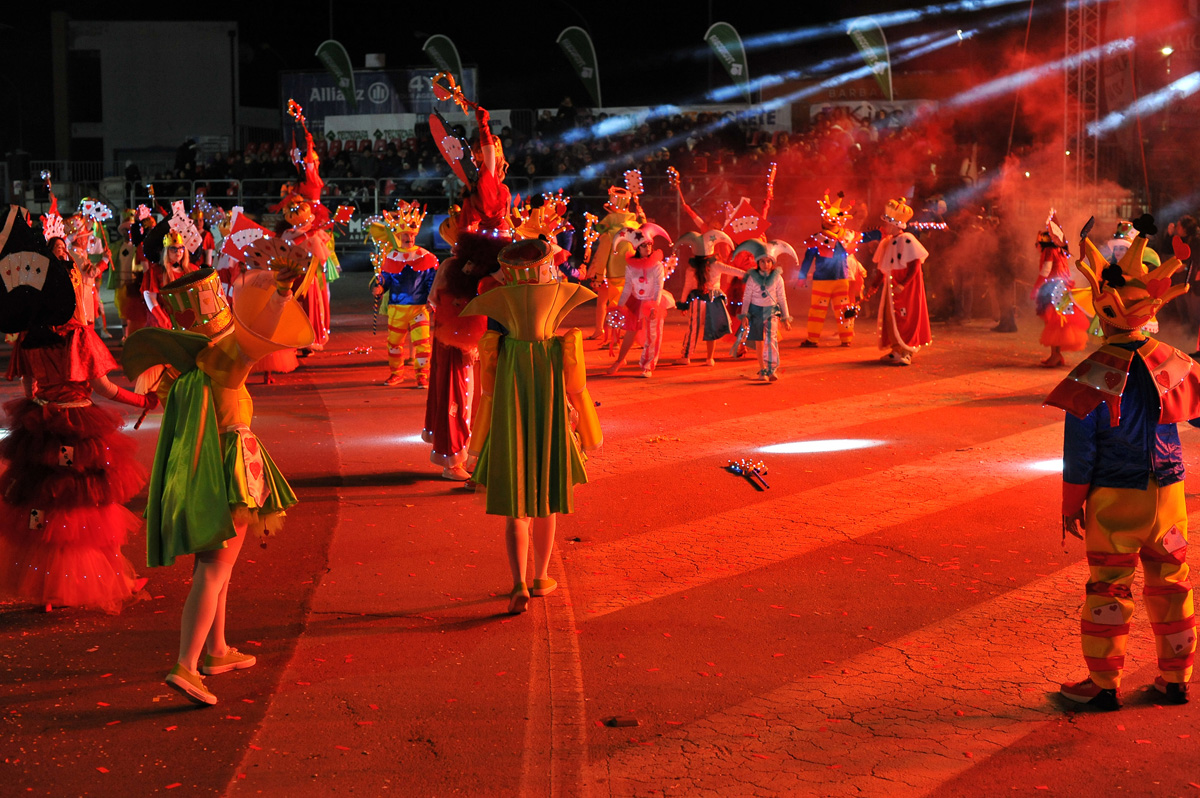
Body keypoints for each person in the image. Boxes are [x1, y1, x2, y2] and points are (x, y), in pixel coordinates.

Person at [123, 261, 314, 705]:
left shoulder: (180, 373)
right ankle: (186, 665)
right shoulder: (224, 361)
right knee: (214, 570)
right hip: (231, 467)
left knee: (213, 567)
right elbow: (263, 334)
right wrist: (281, 295)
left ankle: (217, 650)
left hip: (199, 470)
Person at [1047, 216, 1196, 710]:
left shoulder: (1094, 373)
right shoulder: (1175, 361)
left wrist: (1071, 503)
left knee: (1109, 588)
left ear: (1104, 312)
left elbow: (1081, 450)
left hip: (1115, 498)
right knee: (1171, 582)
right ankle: (1175, 680)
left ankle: (1104, 684)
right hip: (1169, 496)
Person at [0, 206, 155, 614]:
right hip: (78, 430)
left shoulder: (27, 340)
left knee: (42, 506)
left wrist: (41, 409)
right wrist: (142, 400)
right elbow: (105, 388)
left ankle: (46, 586)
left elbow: (29, 389)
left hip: (41, 428)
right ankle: (113, 579)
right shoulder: (80, 337)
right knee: (90, 508)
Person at [461, 239, 602, 614]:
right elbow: (577, 390)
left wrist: (477, 446)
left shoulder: (498, 346)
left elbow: (487, 396)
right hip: (549, 418)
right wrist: (588, 431)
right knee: (547, 503)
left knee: (516, 509)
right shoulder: (561, 345)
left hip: (513, 422)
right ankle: (541, 578)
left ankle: (518, 583)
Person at [368, 201, 437, 388]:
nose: (409, 238)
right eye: (405, 234)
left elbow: (432, 282)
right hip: (397, 308)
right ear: (399, 236)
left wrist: (432, 300)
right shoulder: (391, 257)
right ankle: (396, 374)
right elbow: (386, 280)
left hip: (419, 308)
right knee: (394, 343)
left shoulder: (426, 257)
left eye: (412, 234)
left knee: (422, 344)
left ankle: (422, 375)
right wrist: (380, 287)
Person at [606, 225, 673, 378]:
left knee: (652, 335)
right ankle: (620, 360)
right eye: (644, 245)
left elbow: (658, 287)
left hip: (652, 302)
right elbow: (627, 288)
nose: (647, 248)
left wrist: (654, 306)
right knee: (630, 332)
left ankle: (647, 366)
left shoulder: (657, 265)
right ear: (637, 248)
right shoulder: (631, 266)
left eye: (649, 244)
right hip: (636, 301)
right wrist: (619, 306)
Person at [871, 198, 931, 366]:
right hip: (891, 287)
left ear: (895, 225)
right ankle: (896, 349)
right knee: (891, 317)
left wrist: (904, 283)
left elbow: (915, 265)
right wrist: (874, 285)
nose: (884, 226)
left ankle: (907, 351)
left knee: (907, 317)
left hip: (905, 288)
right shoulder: (886, 242)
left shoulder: (907, 239)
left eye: (887, 223)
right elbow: (883, 267)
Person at [797, 191, 859, 347]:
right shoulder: (844, 237)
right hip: (839, 279)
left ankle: (813, 339)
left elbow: (808, 259)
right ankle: (846, 339)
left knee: (819, 310)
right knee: (842, 309)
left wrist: (802, 277)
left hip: (824, 281)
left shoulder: (819, 239)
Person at [1033, 210, 1090, 367]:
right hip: (1064, 288)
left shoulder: (1049, 251)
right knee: (1060, 323)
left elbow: (1046, 271)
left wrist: (1037, 287)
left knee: (1054, 323)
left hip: (1053, 289)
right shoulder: (1061, 251)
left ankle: (1055, 355)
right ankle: (1056, 355)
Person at [736, 240, 793, 382]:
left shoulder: (777, 278)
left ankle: (771, 369)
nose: (765, 264)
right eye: (762, 261)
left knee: (771, 339)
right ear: (757, 262)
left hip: (771, 312)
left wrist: (786, 317)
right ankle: (762, 369)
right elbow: (747, 297)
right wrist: (744, 315)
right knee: (759, 341)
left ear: (772, 262)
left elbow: (782, 297)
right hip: (755, 312)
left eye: (768, 261)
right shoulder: (752, 278)